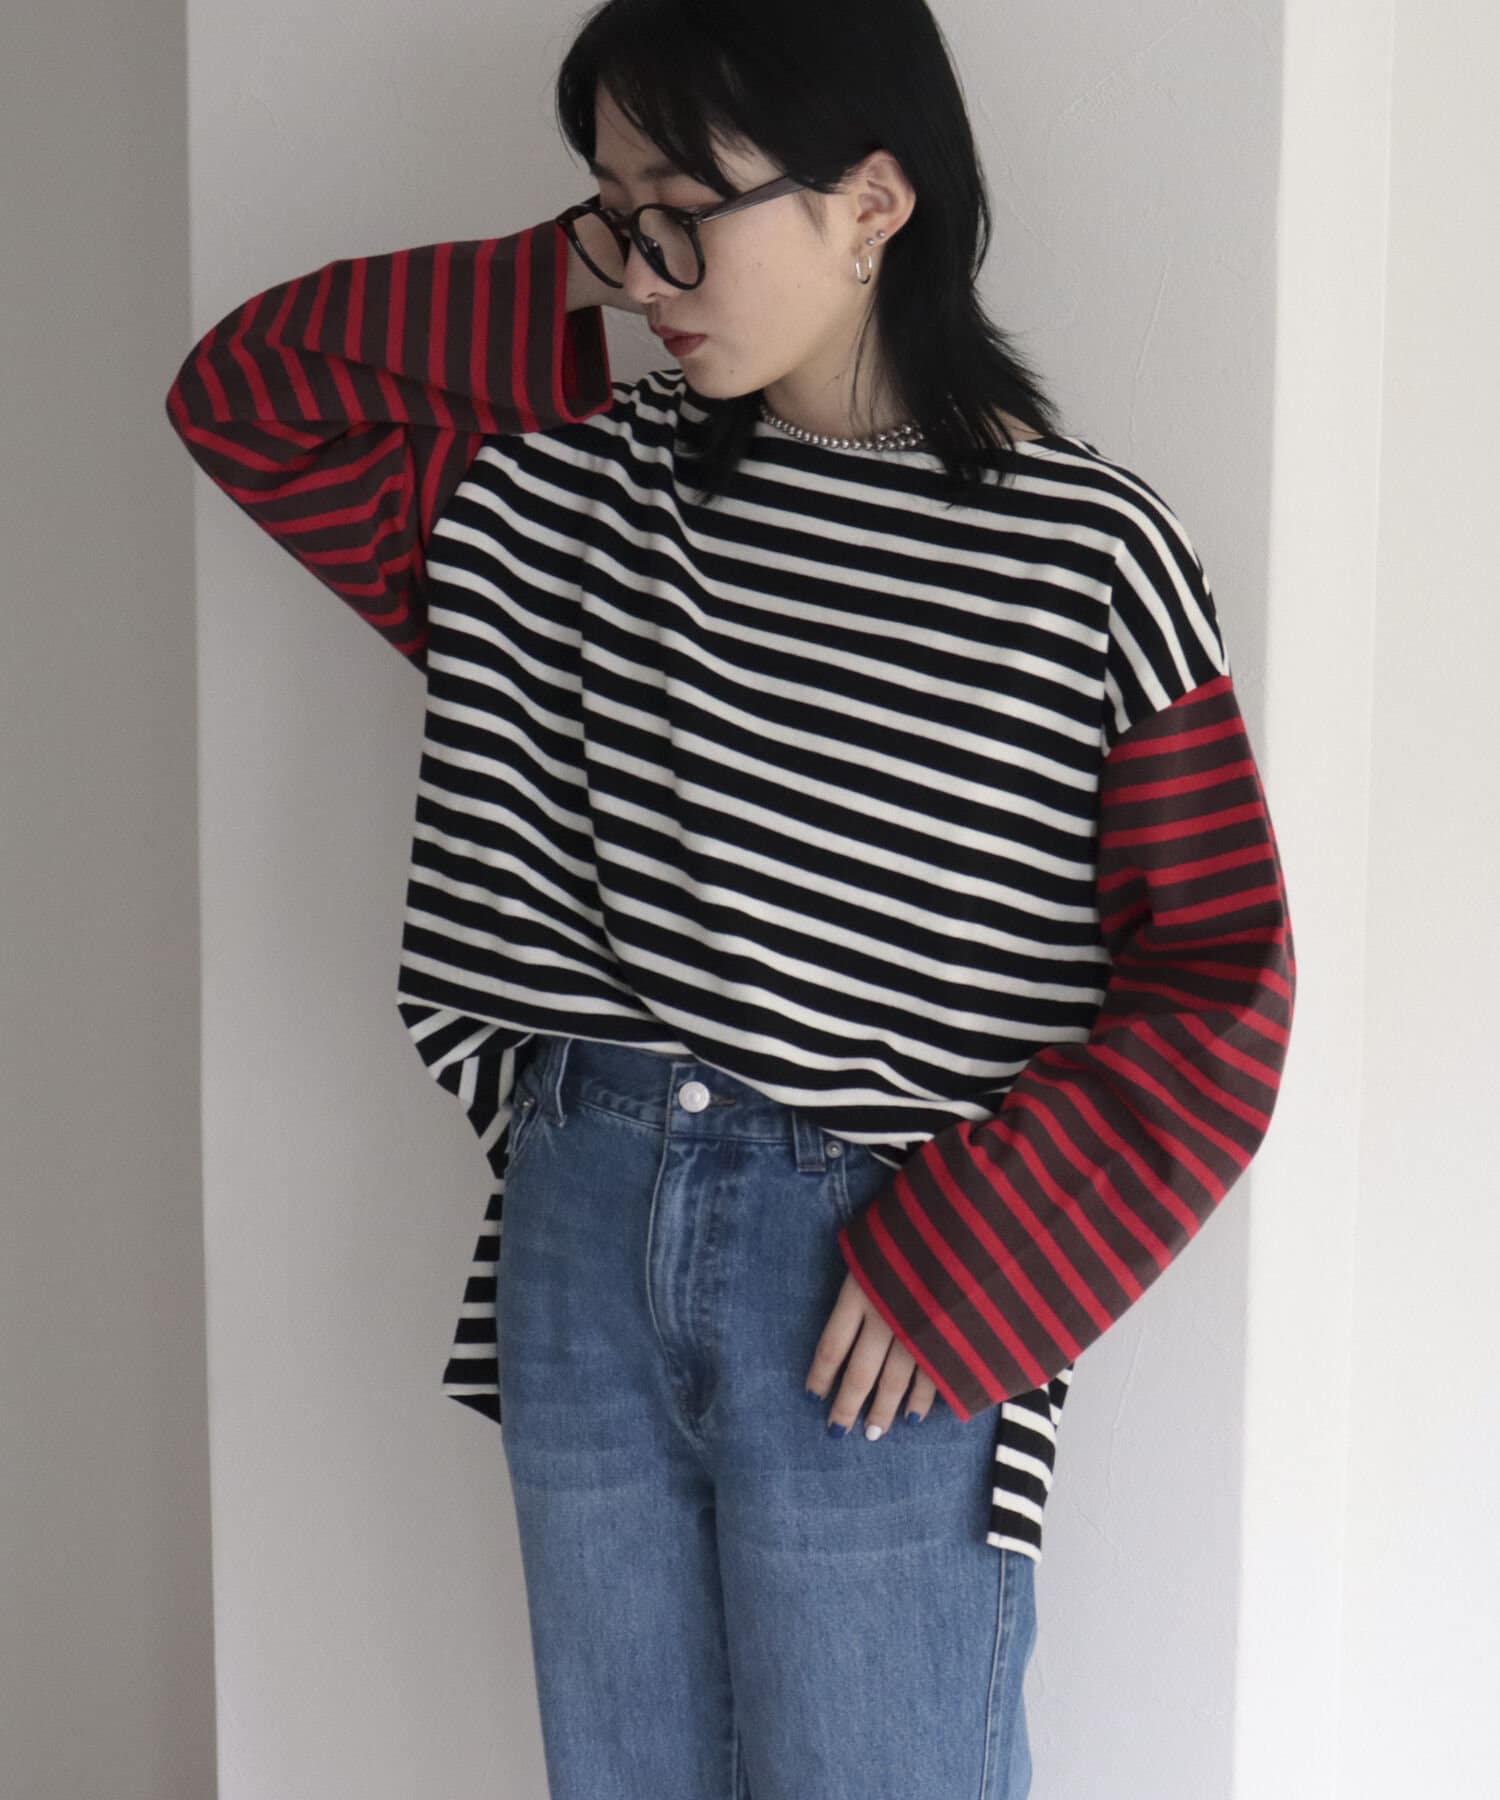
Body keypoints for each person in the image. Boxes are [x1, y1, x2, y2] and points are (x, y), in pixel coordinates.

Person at [162, 1, 1296, 1794]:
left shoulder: (1084, 557)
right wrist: (575, 266)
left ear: (874, 202)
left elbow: (1221, 977)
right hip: (582, 1215)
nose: (645, 272)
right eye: (616, 211)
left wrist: (977, 1267)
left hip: (880, 1272)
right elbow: (246, 393)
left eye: (685, 213)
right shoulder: (564, 496)